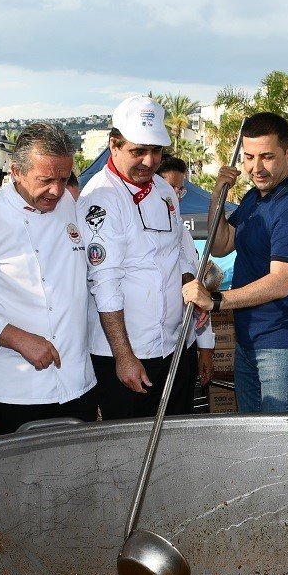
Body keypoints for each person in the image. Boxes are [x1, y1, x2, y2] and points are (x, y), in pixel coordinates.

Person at [0, 122, 98, 434]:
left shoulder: (68, 204)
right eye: (46, 180)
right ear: (15, 171)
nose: (56, 191)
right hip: (15, 386)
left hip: (77, 377)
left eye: (63, 178)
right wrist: (19, 339)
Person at [182, 112, 288, 413]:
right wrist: (217, 196)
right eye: (249, 157)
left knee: (273, 435)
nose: (256, 168)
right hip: (248, 338)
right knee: (249, 430)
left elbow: (279, 283)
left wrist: (215, 301)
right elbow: (220, 245)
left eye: (267, 157)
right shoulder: (253, 198)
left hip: (281, 342)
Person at [80, 96, 208, 419]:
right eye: (138, 151)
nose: (149, 162)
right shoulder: (100, 199)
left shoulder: (164, 190)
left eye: (156, 151)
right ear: (114, 145)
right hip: (127, 354)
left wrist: (191, 288)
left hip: (175, 347)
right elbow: (105, 283)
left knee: (176, 438)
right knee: (129, 445)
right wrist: (124, 356)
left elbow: (178, 253)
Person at [156, 156, 214, 390]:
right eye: (172, 187)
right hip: (150, 350)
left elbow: (197, 290)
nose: (177, 195)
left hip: (184, 344)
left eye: (181, 189)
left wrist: (206, 347)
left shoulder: (184, 233)